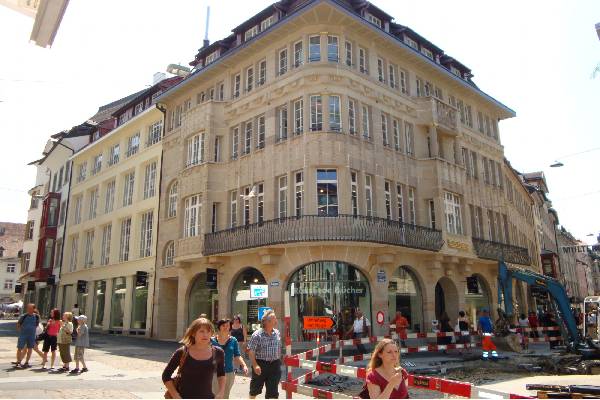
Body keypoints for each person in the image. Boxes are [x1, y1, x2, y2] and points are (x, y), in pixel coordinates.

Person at [163, 318, 225, 399]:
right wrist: (176, 396)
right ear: (193, 333)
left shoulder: (218, 352)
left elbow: (221, 374)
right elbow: (166, 375)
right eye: (201, 331)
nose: (205, 335)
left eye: (208, 331)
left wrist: (221, 392)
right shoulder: (182, 352)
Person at [247, 310, 281, 399]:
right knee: (255, 389)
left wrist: (280, 357)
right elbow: (251, 351)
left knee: (273, 391)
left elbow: (278, 346)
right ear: (268, 321)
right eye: (274, 318)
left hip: (275, 365)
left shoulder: (277, 333)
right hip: (261, 364)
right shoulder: (257, 335)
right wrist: (255, 365)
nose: (276, 320)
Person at [211, 319, 248, 398]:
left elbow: (237, 355)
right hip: (214, 372)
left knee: (225, 395)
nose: (225, 327)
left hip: (228, 372)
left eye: (227, 325)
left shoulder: (233, 340)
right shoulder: (212, 340)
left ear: (230, 327)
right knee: (215, 395)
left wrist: (244, 365)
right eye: (223, 325)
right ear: (219, 327)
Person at [13, 303, 39, 368]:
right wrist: (21, 331)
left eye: (30, 308)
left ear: (34, 309)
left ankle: (26, 362)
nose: (28, 309)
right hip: (23, 335)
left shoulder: (36, 316)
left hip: (31, 335)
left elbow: (37, 325)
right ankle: (18, 362)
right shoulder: (23, 316)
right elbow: (18, 324)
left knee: (30, 348)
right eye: (28, 308)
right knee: (19, 348)